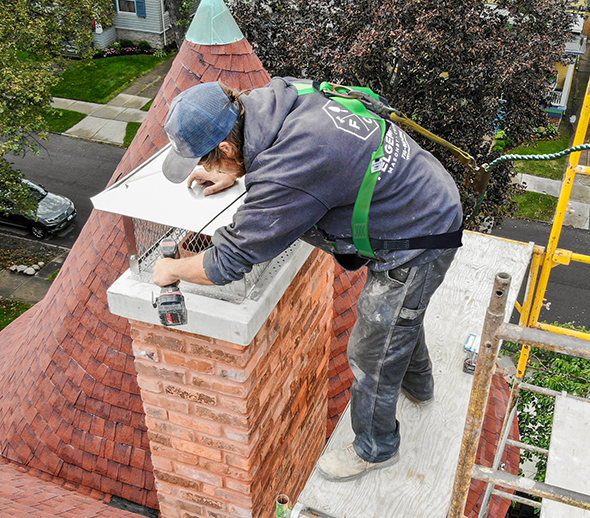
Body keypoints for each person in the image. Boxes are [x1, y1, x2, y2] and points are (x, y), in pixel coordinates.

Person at [153, 78, 463, 481]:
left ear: (228, 148)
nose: (210, 169)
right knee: (398, 321)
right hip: (416, 191)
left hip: (419, 232)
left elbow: (228, 262)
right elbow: (284, 161)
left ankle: (376, 447)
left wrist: (172, 270)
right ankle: (419, 386)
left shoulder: (293, 166)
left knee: (372, 350)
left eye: (212, 161)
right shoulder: (277, 100)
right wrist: (239, 174)